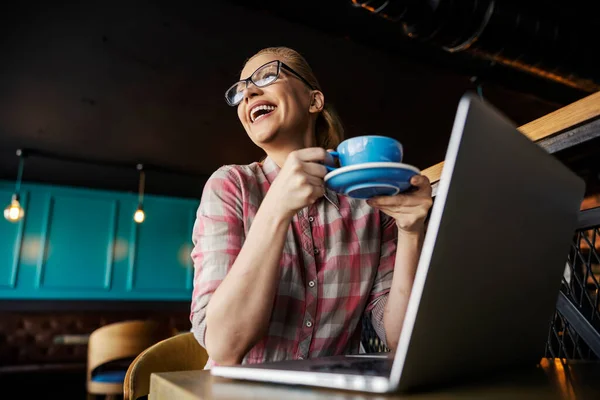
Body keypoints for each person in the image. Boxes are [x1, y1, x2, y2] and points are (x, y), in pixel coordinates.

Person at [190, 47, 433, 368]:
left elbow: (400, 338)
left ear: (314, 101)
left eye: (267, 75)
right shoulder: (230, 186)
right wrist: (276, 210)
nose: (248, 91)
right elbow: (224, 347)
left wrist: (411, 232)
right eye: (241, 89)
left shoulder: (369, 204)